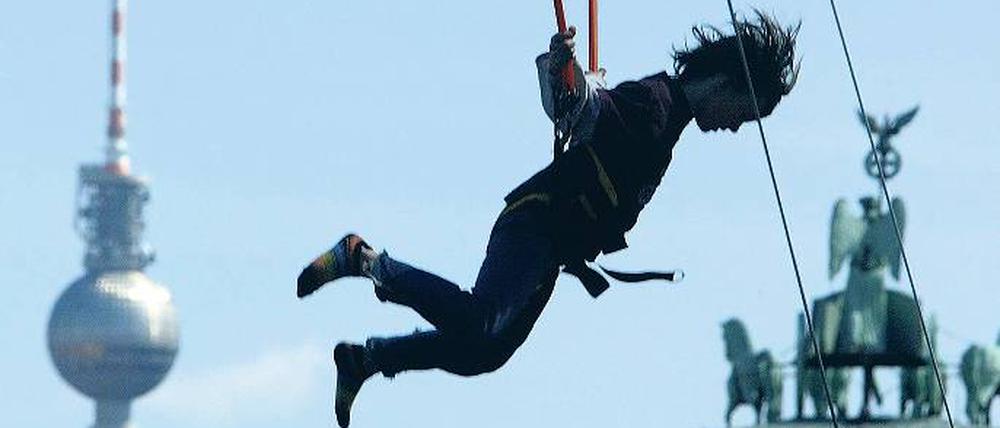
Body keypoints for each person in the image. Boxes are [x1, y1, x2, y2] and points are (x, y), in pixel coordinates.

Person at [296, 12, 799, 427]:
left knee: (483, 353)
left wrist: (578, 81)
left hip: (553, 250)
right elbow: (586, 111)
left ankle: (365, 360)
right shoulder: (656, 104)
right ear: (729, 81)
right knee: (480, 320)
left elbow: (598, 113)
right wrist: (564, 71)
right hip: (534, 226)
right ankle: (362, 259)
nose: (735, 126)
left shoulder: (668, 118)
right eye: (743, 112)